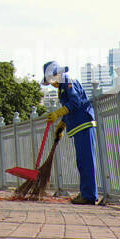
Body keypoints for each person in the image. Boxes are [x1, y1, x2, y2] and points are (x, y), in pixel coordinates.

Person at [44, 60, 98, 204]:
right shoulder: (61, 87)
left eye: (52, 79)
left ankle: (89, 196)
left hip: (84, 123)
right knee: (82, 161)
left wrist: (58, 113)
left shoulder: (68, 81)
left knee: (86, 161)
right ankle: (86, 193)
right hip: (77, 125)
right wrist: (61, 125)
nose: (52, 83)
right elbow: (70, 109)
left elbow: (75, 103)